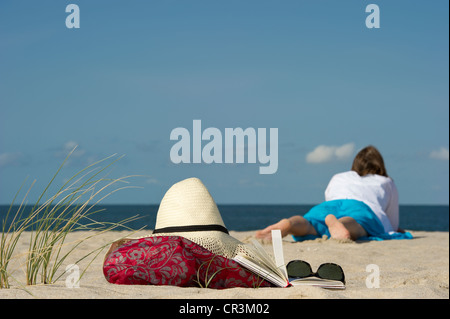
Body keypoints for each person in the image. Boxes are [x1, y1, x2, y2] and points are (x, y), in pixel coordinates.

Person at [255, 145, 411, 242]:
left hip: (329, 205)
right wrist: (396, 229)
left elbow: (330, 198)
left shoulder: (339, 177)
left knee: (310, 224)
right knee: (358, 225)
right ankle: (340, 224)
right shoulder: (385, 181)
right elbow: (393, 222)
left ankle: (289, 224)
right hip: (361, 207)